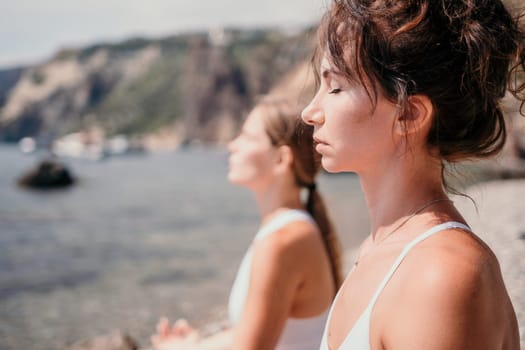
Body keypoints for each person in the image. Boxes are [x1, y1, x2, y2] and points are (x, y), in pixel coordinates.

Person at [301, 0, 524, 349]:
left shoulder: (439, 275)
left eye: (335, 88)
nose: (310, 112)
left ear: (409, 115)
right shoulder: (382, 247)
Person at [151, 97, 343, 350]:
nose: (232, 145)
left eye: (247, 137)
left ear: (281, 159)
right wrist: (194, 344)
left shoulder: (283, 241)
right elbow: (255, 331)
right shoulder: (290, 230)